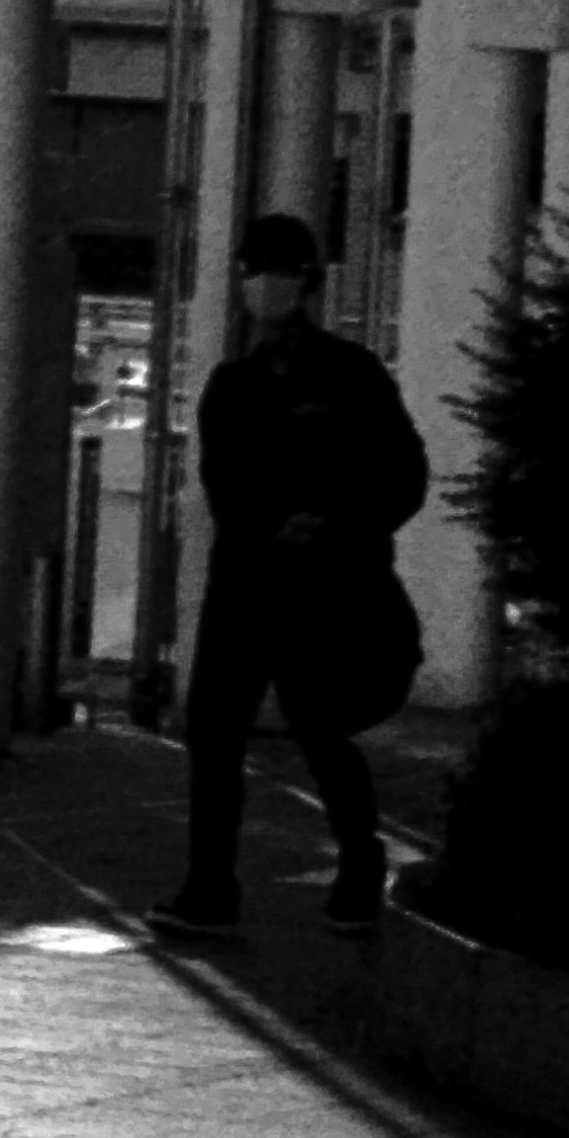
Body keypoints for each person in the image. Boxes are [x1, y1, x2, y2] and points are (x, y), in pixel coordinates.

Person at [155, 209, 430, 939]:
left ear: (307, 282)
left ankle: (358, 860)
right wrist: (284, 529)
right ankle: (210, 886)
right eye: (252, 271)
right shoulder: (232, 386)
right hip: (247, 585)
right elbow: (225, 488)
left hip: (326, 589)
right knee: (216, 733)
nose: (261, 285)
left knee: (319, 725)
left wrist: (331, 527)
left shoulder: (352, 375)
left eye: (272, 270)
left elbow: (402, 474)